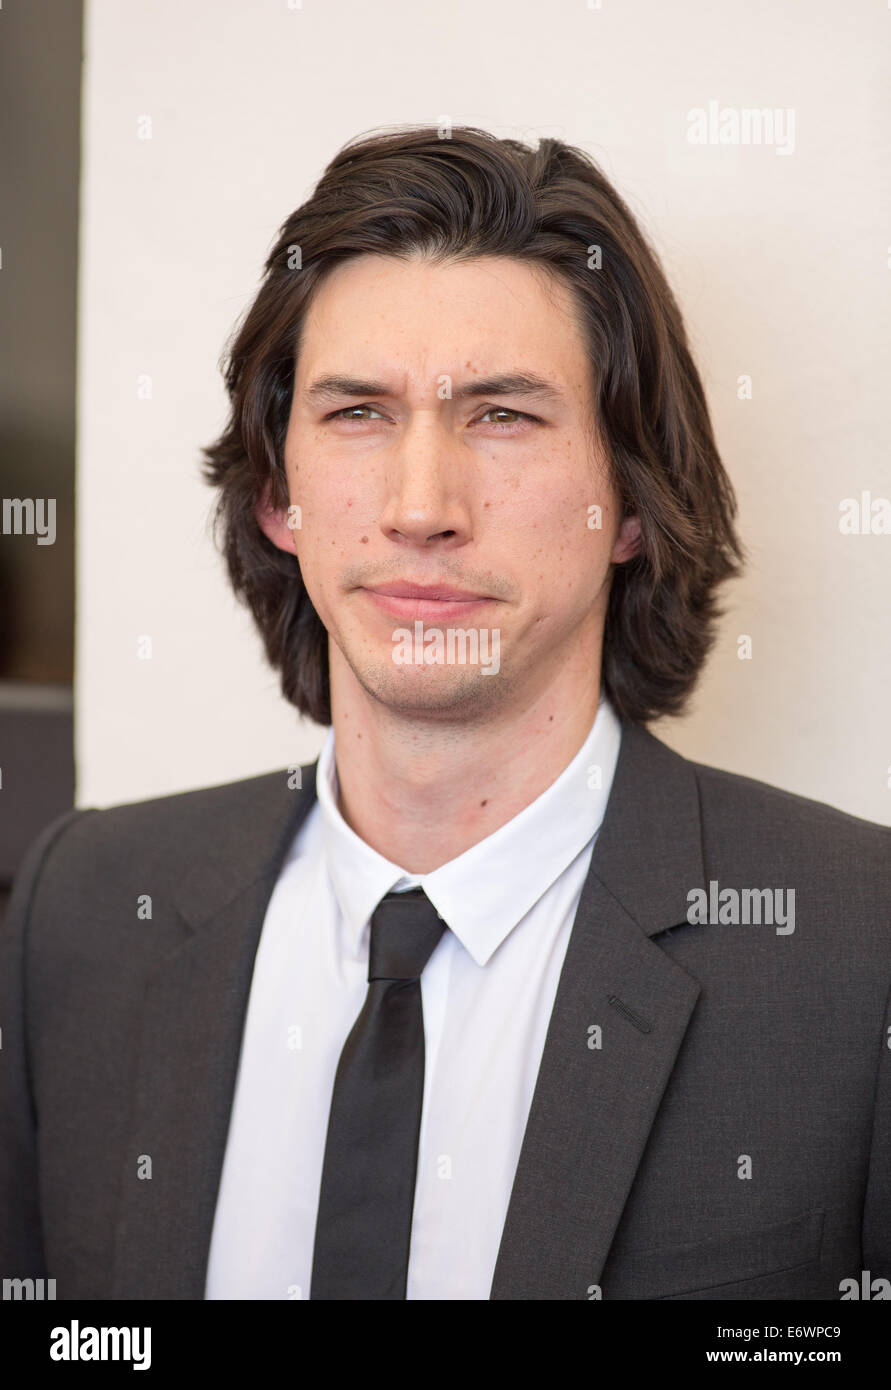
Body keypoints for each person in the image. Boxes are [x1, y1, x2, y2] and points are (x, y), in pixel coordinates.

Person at [1, 125, 889, 1301]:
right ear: (278, 496)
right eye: (358, 413)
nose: (422, 507)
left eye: (503, 415)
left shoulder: (854, 942)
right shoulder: (82, 905)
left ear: (631, 504)